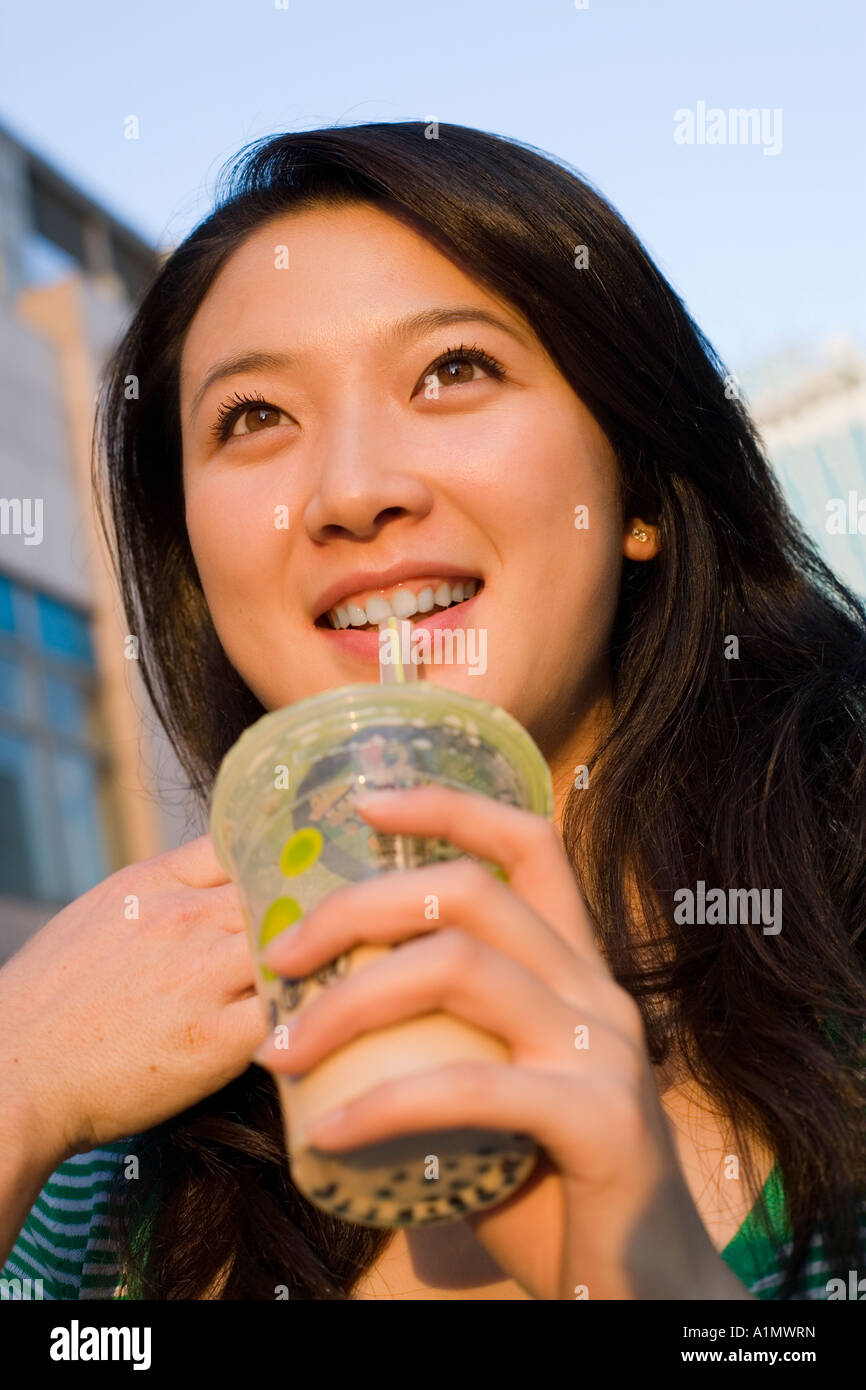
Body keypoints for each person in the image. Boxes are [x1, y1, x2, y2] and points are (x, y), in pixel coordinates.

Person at [1, 120, 864, 1301]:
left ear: (640, 487)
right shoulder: (105, 1153)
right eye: (253, 416)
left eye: (453, 370)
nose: (352, 490)